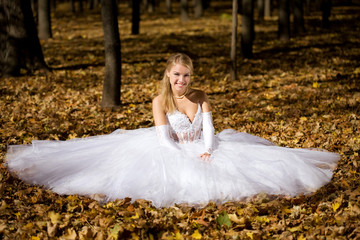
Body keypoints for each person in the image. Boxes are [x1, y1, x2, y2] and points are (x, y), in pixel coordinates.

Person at [6, 53, 340, 208]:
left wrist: (208, 149)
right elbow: (164, 140)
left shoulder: (201, 97)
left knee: (248, 168)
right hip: (169, 148)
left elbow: (210, 129)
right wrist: (183, 156)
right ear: (168, 76)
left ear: (191, 78)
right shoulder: (159, 101)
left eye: (186, 76)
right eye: (176, 75)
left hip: (203, 145)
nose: (181, 81)